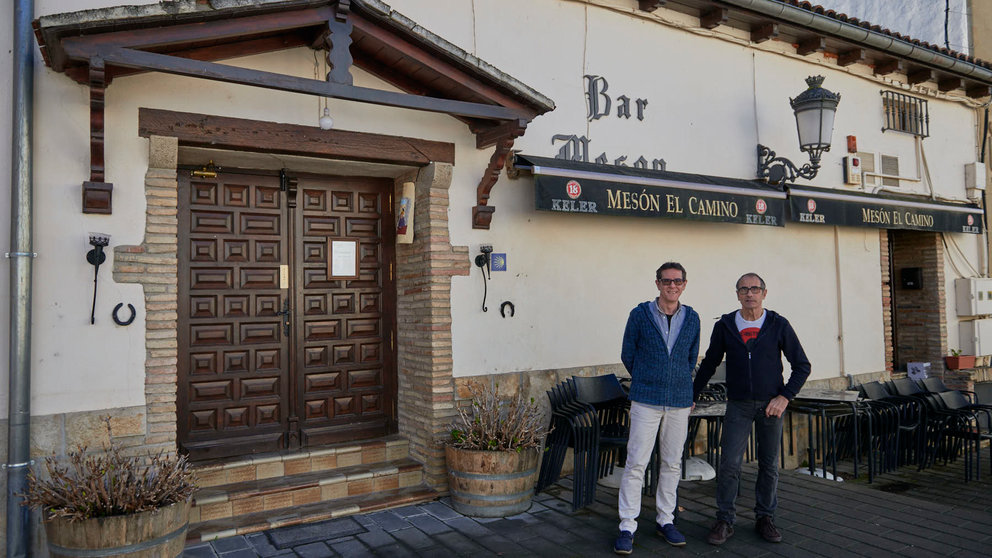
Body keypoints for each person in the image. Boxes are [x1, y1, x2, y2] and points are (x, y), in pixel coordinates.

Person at [692, 272, 810, 546]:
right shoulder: (725, 325)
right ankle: (724, 520)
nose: (749, 294)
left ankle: (765, 518)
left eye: (754, 289)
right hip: (739, 405)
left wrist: (784, 397)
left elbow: (802, 365)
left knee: (768, 465)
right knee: (729, 463)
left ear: (764, 293)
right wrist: (692, 394)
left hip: (771, 406)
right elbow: (709, 363)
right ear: (737, 294)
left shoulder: (778, 324)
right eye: (743, 289)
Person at [614, 262, 700, 555]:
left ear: (684, 285)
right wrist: (647, 378)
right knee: (636, 463)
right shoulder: (639, 315)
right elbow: (628, 352)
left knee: (672, 463)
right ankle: (627, 525)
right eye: (666, 281)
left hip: (678, 402)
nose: (672, 286)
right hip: (645, 400)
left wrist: (677, 382)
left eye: (677, 281)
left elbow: (690, 358)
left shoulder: (692, 318)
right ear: (657, 283)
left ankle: (666, 519)